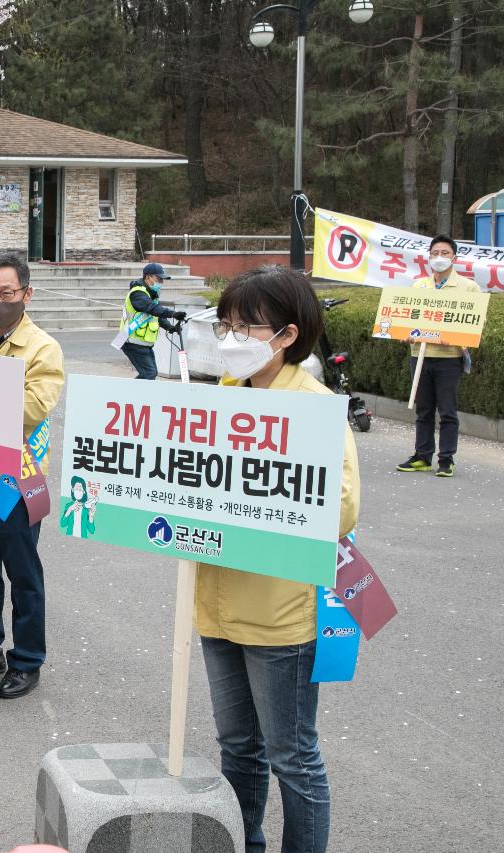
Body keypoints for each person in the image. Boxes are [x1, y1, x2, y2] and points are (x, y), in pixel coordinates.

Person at [201, 265, 360, 853]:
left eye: (245, 327)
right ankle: (246, 843)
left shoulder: (316, 407)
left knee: (293, 757)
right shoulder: (221, 395)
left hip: (280, 614)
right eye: (224, 326)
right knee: (238, 749)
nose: (229, 339)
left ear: (287, 336)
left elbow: (340, 511)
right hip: (217, 605)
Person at [0, 253, 64, 700]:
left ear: (26, 293)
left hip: (17, 479)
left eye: (6, 293)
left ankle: (26, 661)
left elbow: (32, 408)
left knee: (23, 574)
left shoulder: (42, 348)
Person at [395, 234, 480, 478]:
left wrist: (453, 338)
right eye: (435, 253)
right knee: (423, 409)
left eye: (445, 253)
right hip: (419, 355)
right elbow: (408, 319)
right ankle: (422, 456)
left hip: (448, 358)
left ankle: (446, 459)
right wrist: (406, 334)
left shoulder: (468, 287)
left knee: (447, 411)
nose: (439, 258)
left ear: (454, 257)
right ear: (428, 257)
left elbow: (475, 326)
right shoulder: (419, 286)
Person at [120, 262, 186, 380]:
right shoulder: (138, 293)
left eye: (162, 280)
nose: (161, 282)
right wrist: (173, 314)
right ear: (147, 277)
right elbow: (152, 309)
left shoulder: (151, 294)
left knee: (151, 373)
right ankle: (128, 395)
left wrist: (170, 327)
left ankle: (131, 394)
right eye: (158, 279)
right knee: (149, 374)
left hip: (143, 343)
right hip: (132, 341)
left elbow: (155, 315)